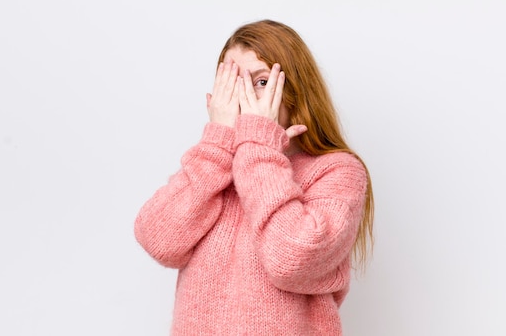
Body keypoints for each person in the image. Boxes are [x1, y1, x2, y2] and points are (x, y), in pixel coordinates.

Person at [134, 19, 374, 335]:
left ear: (295, 91)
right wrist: (216, 144)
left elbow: (291, 260)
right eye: (233, 83)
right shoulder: (215, 165)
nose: (244, 96)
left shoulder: (338, 171)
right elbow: (158, 240)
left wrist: (259, 147)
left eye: (261, 82)